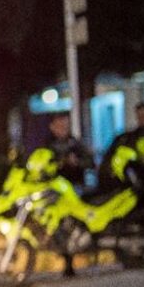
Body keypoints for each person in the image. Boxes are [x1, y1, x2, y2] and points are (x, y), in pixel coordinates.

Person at [42, 113, 94, 277]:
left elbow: (90, 161)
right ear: (52, 127)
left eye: (65, 125)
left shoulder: (75, 144)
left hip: (73, 188)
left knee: (70, 225)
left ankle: (69, 262)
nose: (63, 129)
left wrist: (76, 162)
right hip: (52, 190)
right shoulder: (47, 145)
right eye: (59, 125)